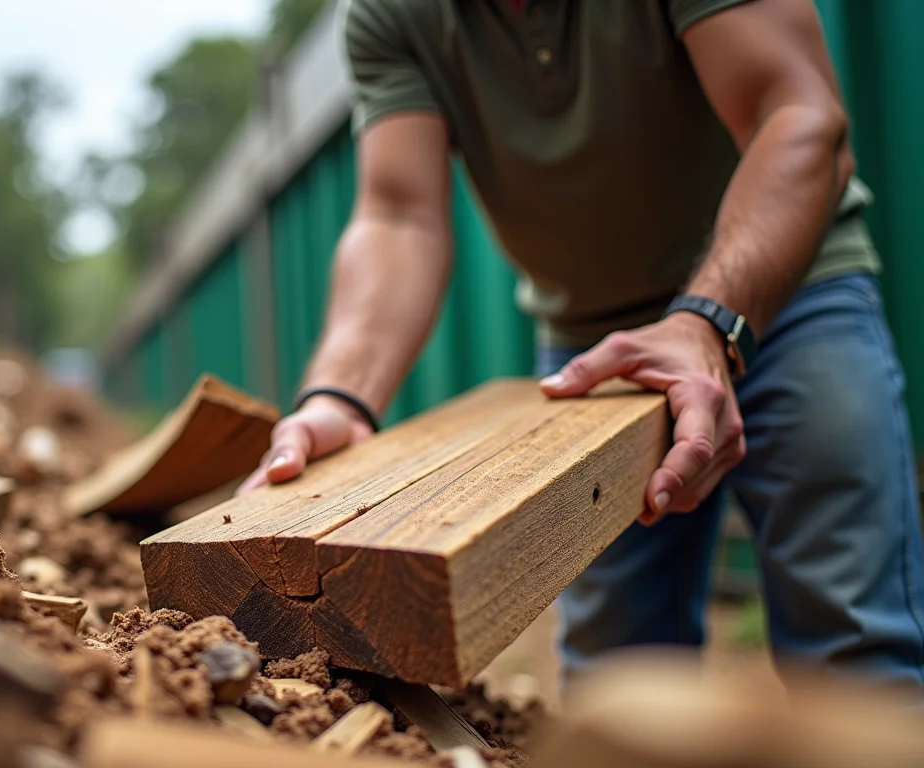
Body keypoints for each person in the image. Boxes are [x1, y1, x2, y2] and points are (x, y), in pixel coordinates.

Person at [236, 0, 924, 695]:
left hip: (790, 296)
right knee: (618, 677)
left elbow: (798, 113)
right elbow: (398, 213)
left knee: (855, 653)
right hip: (595, 356)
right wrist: (342, 395)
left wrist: (705, 322)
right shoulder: (390, 13)